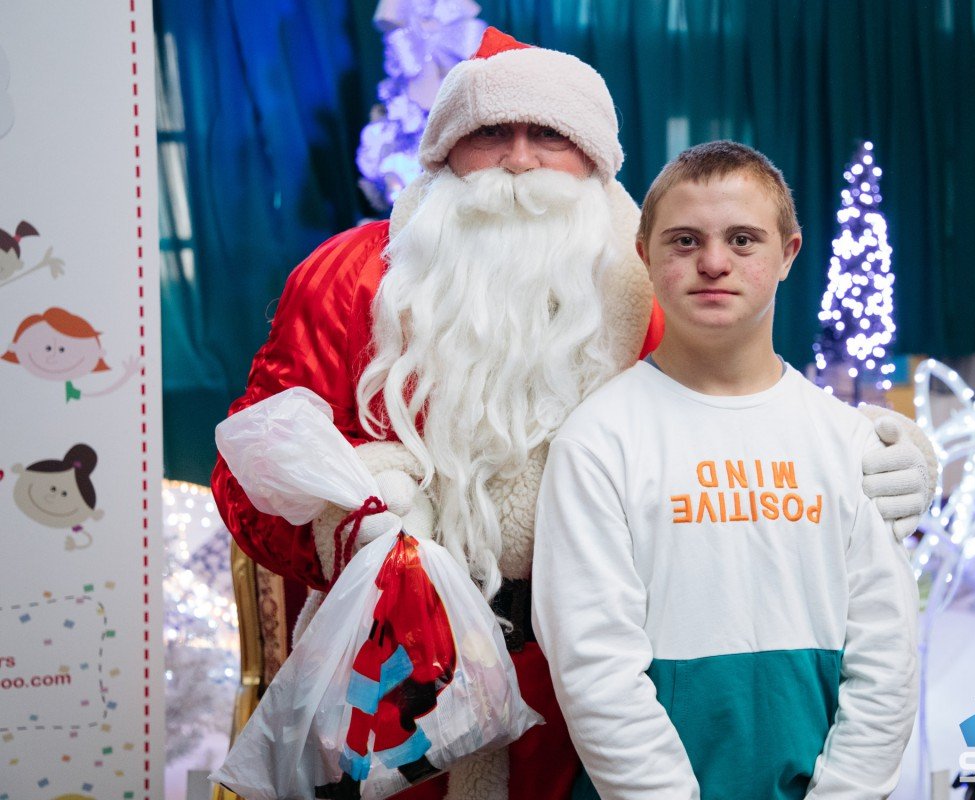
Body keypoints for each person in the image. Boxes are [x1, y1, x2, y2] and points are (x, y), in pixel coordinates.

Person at [211, 29, 933, 800]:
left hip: (582, 695)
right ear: (445, 151)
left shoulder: (647, 281)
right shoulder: (348, 277)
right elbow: (252, 472)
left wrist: (886, 453)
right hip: (392, 674)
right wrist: (352, 518)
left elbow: (736, 410)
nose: (519, 160)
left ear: (591, 159)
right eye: (491, 133)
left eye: (549, 136)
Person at [532, 141, 919, 800]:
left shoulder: (848, 442)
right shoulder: (597, 442)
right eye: (685, 241)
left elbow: (888, 657)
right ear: (644, 255)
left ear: (788, 253)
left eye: (743, 240)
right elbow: (594, 669)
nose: (714, 263)